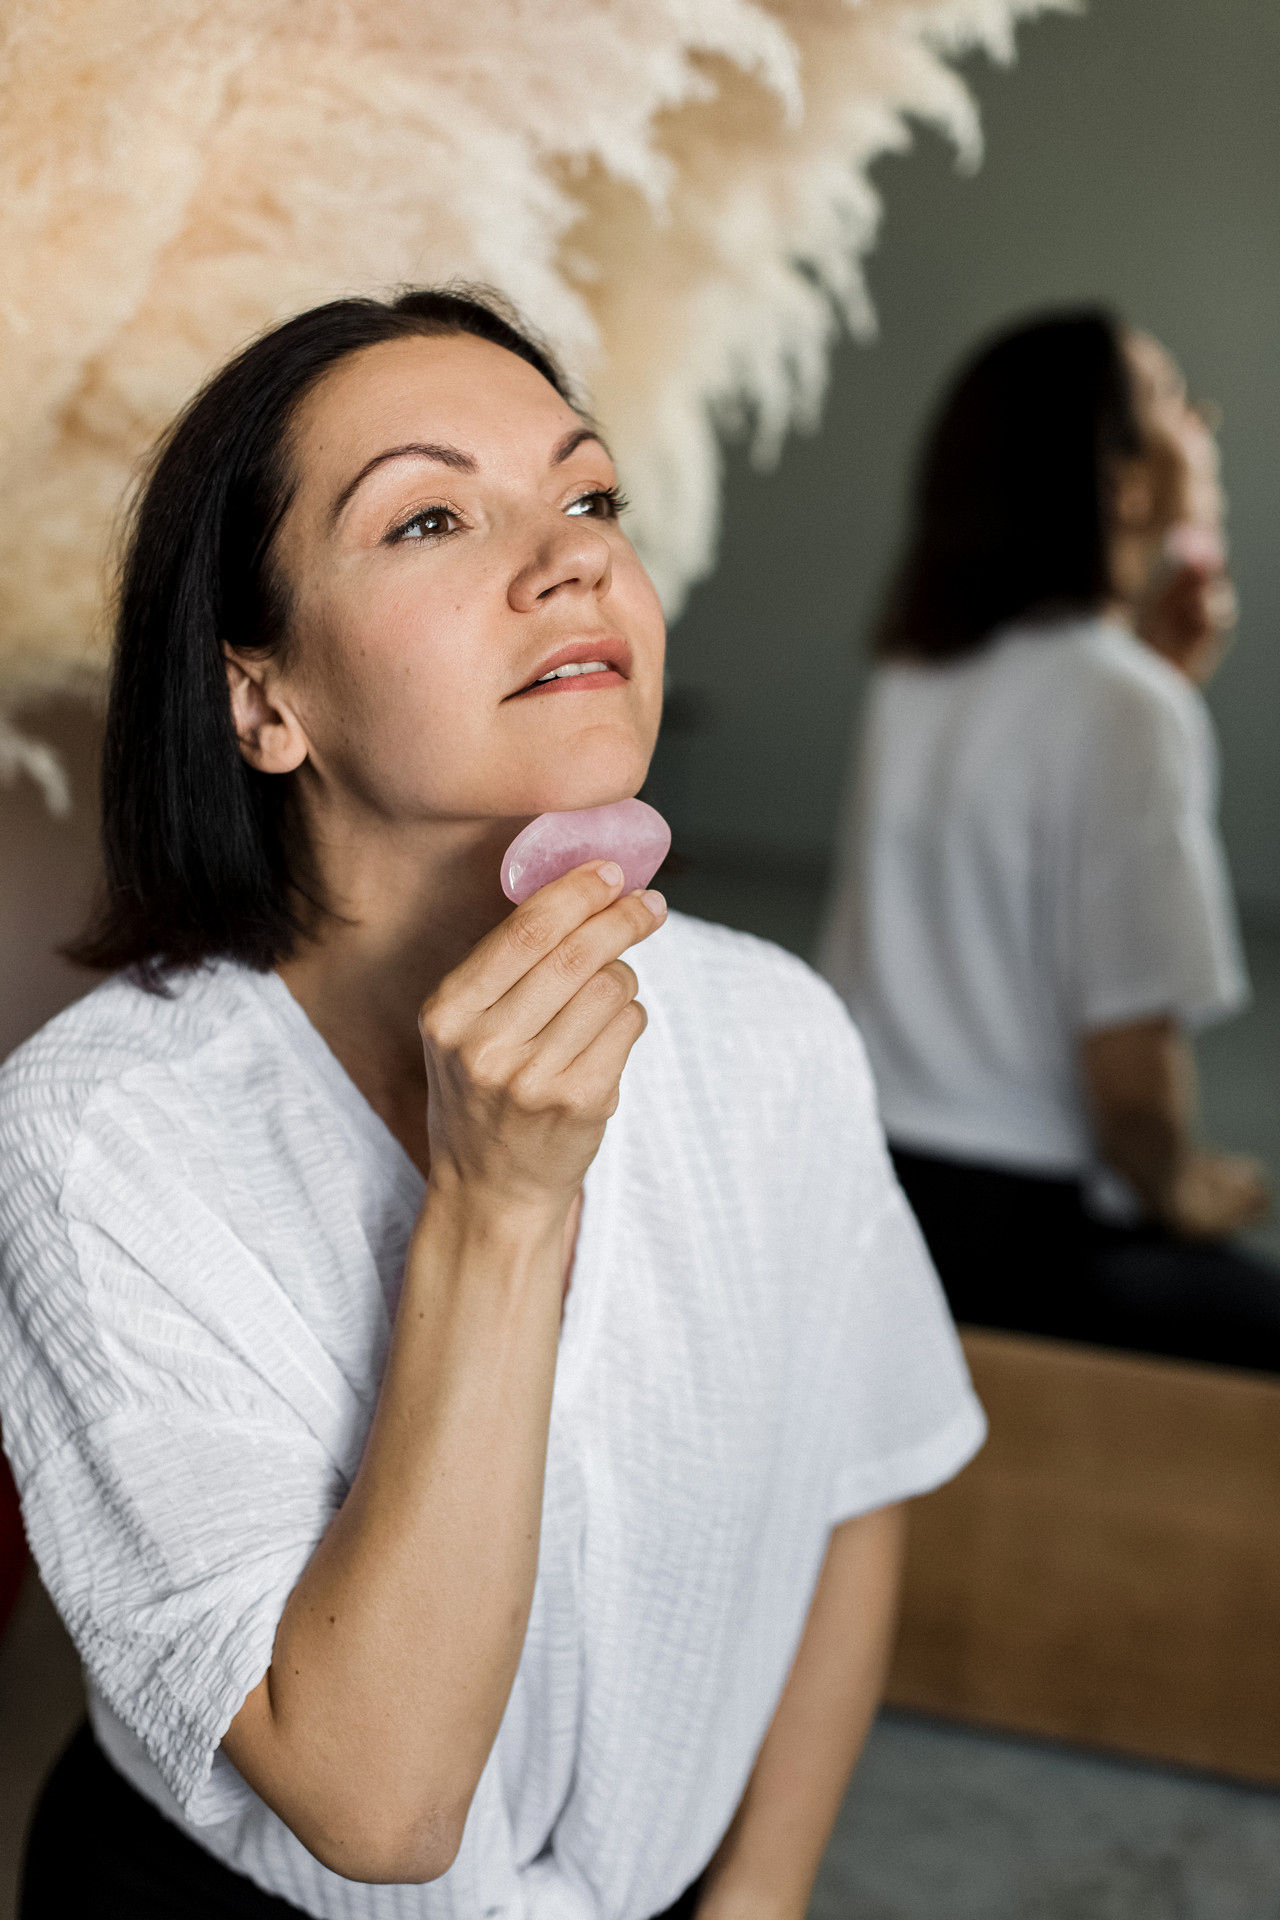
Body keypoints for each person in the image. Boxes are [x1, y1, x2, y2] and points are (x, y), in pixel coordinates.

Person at [0, 287, 983, 1920]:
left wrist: (758, 1902)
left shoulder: (772, 1033)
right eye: (432, 515)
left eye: (591, 496)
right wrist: (500, 1205)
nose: (573, 556)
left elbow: (855, 1486)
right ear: (263, 697)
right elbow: (375, 1805)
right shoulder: (92, 1137)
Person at [820, 307, 1280, 1372]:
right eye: (1169, 398)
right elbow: (1129, 1093)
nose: (1199, 419)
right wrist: (1186, 1188)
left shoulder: (912, 674)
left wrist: (1153, 683)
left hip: (872, 1188)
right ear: (1119, 481)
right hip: (1021, 1230)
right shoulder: (1123, 703)